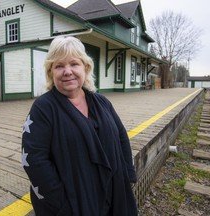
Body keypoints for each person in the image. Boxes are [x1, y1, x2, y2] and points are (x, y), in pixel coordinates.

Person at [21, 36, 138, 216]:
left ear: (86, 67)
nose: (67, 71)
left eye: (74, 64)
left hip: (114, 194)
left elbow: (121, 136)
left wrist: (127, 174)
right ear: (51, 72)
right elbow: (35, 160)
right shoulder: (43, 108)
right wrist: (63, 206)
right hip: (72, 205)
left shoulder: (101, 102)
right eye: (59, 66)